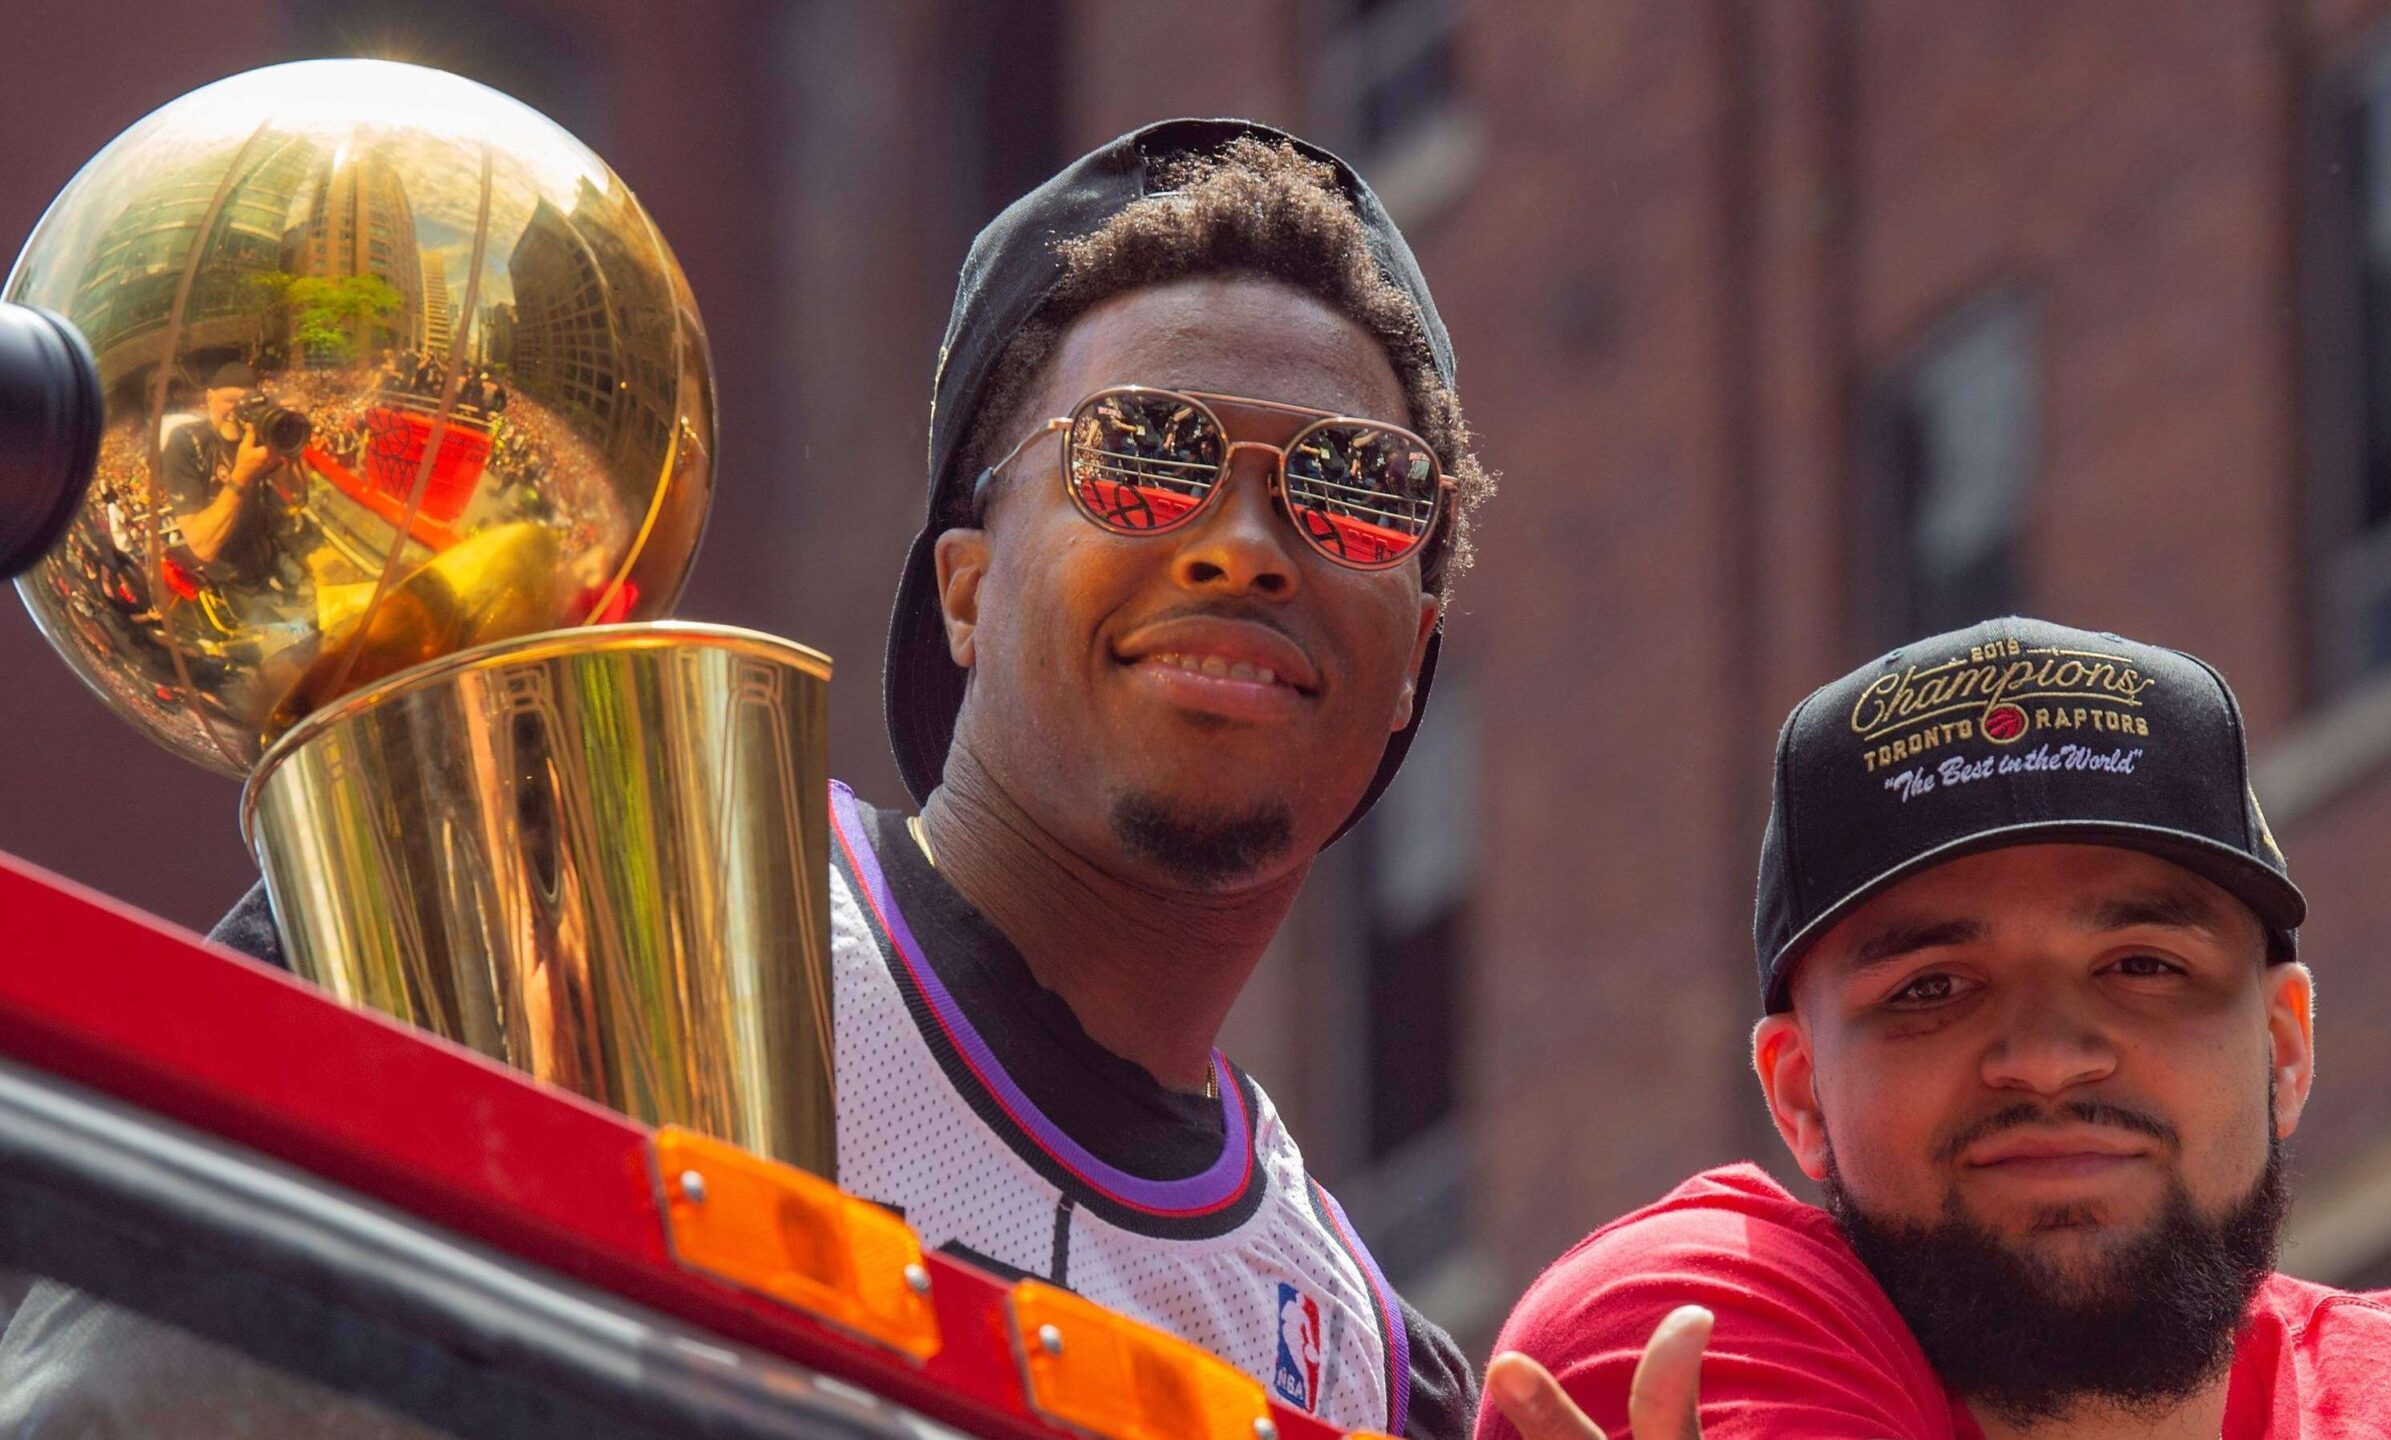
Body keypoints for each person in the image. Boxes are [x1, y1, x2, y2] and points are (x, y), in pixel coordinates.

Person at [173, 119, 1489, 1439]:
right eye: (1146, 453)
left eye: (1353, 491)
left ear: (1414, 664)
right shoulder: (576, 906)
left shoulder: (1374, 1379)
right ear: (966, 591)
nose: (1247, 548)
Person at [1477, 617, 2391, 1440]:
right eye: (1932, 989)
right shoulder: (1678, 1323)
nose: (2045, 1057)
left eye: (2142, 965)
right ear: (1801, 1095)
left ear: (2282, 1047)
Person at [161, 362, 285, 594]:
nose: (238, 409)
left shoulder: (259, 433)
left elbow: (296, 495)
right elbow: (202, 546)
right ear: (209, 398)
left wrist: (288, 440)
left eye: (247, 401)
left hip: (275, 557)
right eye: (230, 400)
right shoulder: (186, 443)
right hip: (234, 582)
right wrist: (241, 476)